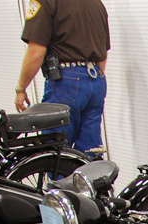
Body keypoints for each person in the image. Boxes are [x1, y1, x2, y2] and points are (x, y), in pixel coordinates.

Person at [15, 0, 110, 153]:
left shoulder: (46, 2)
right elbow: (103, 55)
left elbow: (36, 53)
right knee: (91, 152)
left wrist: (21, 89)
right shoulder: (96, 3)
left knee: (57, 154)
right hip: (96, 82)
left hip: (66, 83)